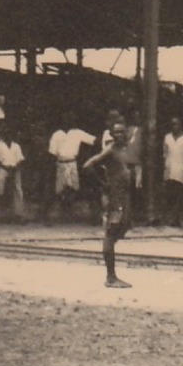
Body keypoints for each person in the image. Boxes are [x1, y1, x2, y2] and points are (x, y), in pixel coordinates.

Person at [82, 122, 135, 288]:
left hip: (124, 196)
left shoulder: (125, 149)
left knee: (124, 224)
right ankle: (111, 276)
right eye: (116, 132)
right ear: (112, 134)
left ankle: (111, 267)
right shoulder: (110, 149)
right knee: (111, 232)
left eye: (122, 132)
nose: (120, 135)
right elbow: (88, 165)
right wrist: (103, 184)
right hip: (115, 196)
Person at [47, 119, 97, 219]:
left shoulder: (77, 133)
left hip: (72, 162)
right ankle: (60, 211)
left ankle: (69, 210)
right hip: (60, 163)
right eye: (66, 119)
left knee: (74, 187)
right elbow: (52, 152)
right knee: (59, 189)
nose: (68, 122)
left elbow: (94, 140)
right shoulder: (57, 134)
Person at [162, 117, 183, 227]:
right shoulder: (167, 137)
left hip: (181, 170)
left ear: (180, 125)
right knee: (171, 197)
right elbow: (164, 154)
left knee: (181, 197)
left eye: (176, 124)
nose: (174, 127)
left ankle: (181, 220)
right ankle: (171, 220)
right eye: (172, 124)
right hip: (169, 171)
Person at [0, 124, 27, 220]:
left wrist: (15, 168)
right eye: (6, 133)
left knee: (18, 187)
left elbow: (21, 159)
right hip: (3, 168)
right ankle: (0, 211)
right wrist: (5, 167)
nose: (8, 135)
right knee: (0, 181)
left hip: (15, 168)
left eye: (10, 133)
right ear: (3, 134)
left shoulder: (16, 146)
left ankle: (19, 213)